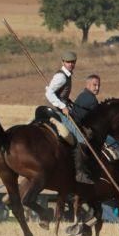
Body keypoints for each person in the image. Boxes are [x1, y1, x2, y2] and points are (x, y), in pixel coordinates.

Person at [72, 74, 119, 191]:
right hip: (85, 130)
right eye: (94, 85)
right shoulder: (90, 99)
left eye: (98, 85)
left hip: (82, 127)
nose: (97, 87)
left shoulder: (84, 96)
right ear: (87, 85)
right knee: (116, 147)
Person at [45, 50, 92, 184]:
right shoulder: (61, 77)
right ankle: (80, 173)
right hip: (59, 112)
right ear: (63, 62)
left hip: (62, 108)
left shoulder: (66, 75)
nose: (70, 64)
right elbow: (49, 93)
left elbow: (59, 93)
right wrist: (62, 105)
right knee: (81, 139)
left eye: (72, 62)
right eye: (68, 62)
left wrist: (67, 101)